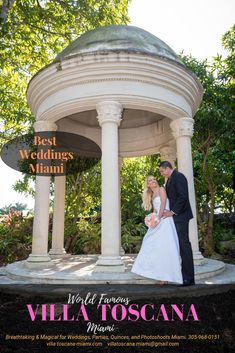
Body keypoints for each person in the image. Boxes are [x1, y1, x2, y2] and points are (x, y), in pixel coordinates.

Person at [131, 176, 183, 284]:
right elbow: (155, 209)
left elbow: (163, 203)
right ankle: (159, 274)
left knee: (166, 247)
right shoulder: (152, 195)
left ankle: (167, 276)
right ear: (148, 185)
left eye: (154, 179)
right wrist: (151, 218)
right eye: (150, 180)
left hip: (165, 221)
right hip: (159, 220)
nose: (153, 181)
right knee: (151, 242)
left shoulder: (161, 189)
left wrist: (158, 218)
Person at [159, 161, 195, 286]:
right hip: (176, 217)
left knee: (184, 246)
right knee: (180, 246)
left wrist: (172, 212)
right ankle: (183, 275)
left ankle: (189, 278)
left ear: (168, 168)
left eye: (162, 171)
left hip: (181, 216)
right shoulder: (169, 180)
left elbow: (182, 197)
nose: (161, 173)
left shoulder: (179, 176)